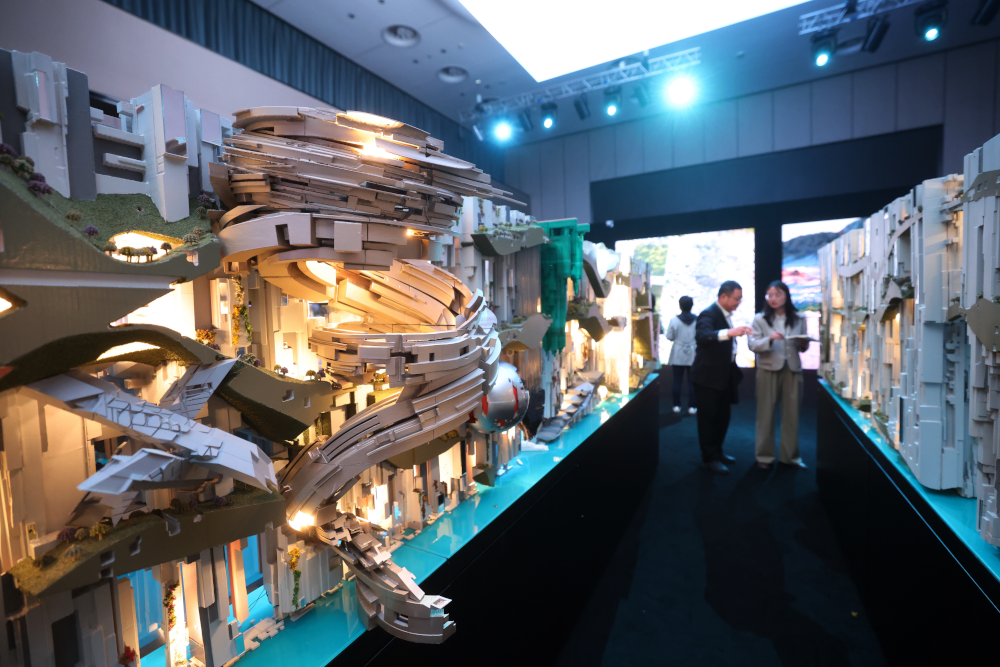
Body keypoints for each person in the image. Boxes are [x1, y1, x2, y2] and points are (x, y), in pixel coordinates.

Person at [692, 281, 752, 474]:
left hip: (723, 376)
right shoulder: (709, 314)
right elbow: (703, 336)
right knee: (708, 419)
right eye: (736, 298)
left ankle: (717, 451)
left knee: (722, 417)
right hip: (708, 378)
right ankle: (709, 458)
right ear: (723, 296)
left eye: (740, 299)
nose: (738, 303)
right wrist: (730, 333)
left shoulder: (724, 315)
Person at [749, 280, 809, 470]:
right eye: (770, 295)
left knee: (792, 414)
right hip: (767, 368)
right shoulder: (760, 318)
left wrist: (803, 342)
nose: (773, 298)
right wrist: (769, 339)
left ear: (786, 296)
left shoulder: (799, 318)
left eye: (777, 294)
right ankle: (764, 456)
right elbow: (752, 344)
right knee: (765, 413)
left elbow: (804, 347)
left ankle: (790, 457)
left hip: (792, 368)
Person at [665, 296, 698, 415]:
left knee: (677, 381)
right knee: (692, 382)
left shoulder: (674, 320)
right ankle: (692, 407)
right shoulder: (698, 320)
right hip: (693, 353)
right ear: (692, 306)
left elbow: (669, 337)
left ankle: (676, 406)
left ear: (680, 306)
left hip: (678, 353)